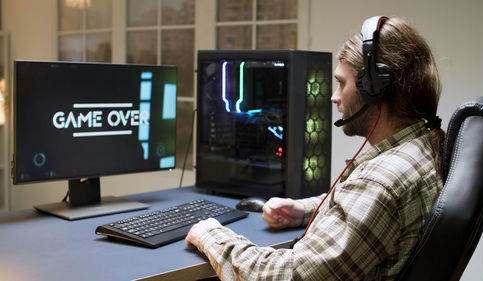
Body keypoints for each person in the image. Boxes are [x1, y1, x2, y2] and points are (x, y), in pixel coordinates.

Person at [185, 16, 445, 281]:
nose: (333, 96)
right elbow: (363, 217)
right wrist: (305, 210)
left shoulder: (381, 181)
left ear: (374, 90)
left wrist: (212, 236)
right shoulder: (419, 146)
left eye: (342, 83)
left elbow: (288, 276)